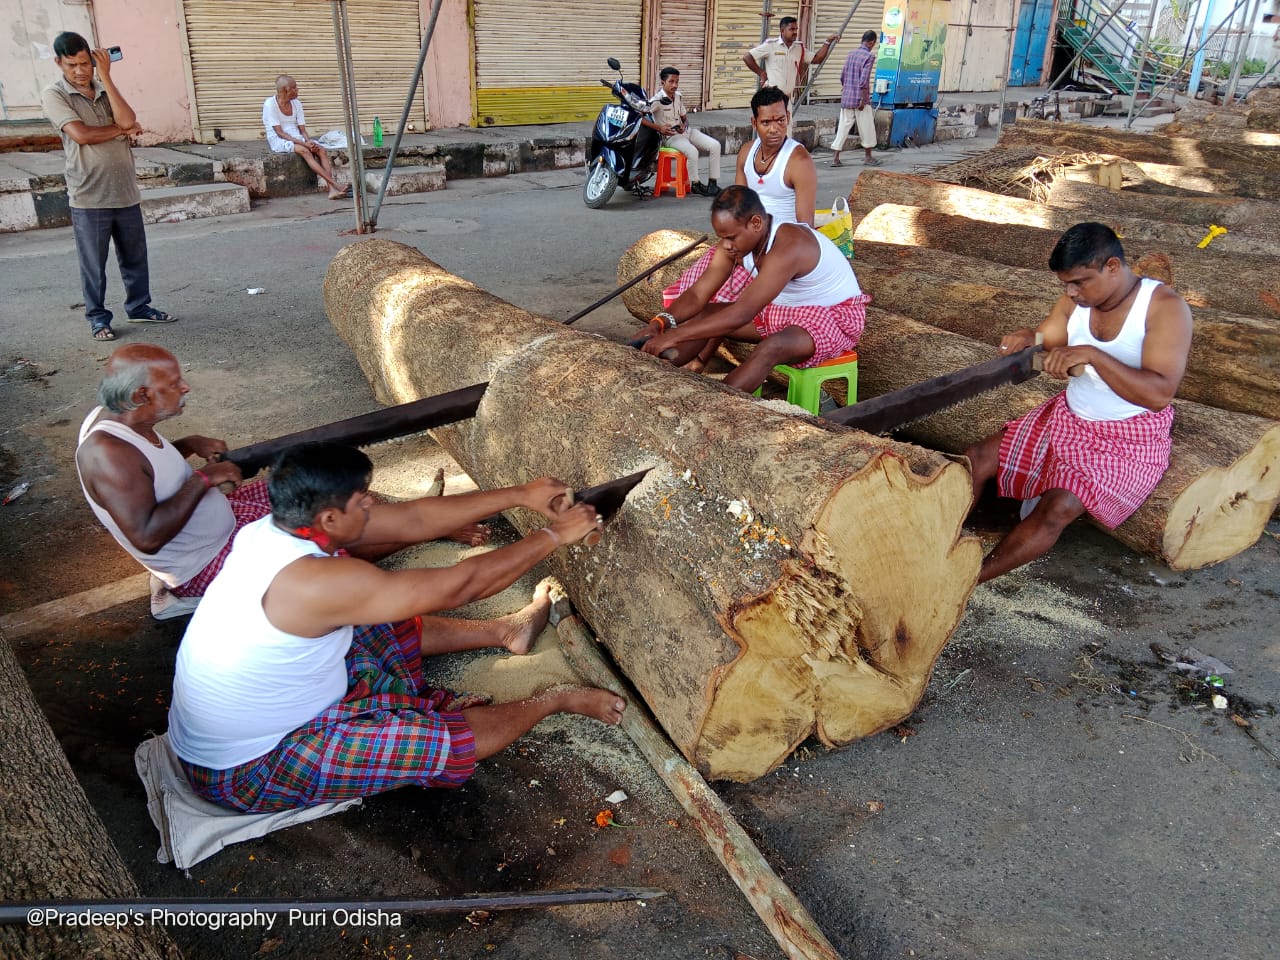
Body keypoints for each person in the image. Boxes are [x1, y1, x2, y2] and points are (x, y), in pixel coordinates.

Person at [166, 442, 626, 813]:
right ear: (329, 517)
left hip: (260, 715)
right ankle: (555, 700)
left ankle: (504, 631)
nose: (371, 502)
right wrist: (553, 535)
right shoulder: (315, 581)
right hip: (249, 767)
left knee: (383, 616)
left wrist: (520, 494)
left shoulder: (280, 528)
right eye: (361, 498)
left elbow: (415, 518)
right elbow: (461, 585)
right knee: (436, 742)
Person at [76, 344, 488, 621]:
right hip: (205, 560)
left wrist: (187, 445)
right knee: (329, 561)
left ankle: (427, 524)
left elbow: (152, 470)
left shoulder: (123, 417)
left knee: (342, 500)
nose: (185, 387)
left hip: (224, 515)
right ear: (140, 397)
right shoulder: (108, 455)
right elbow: (147, 535)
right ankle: (425, 532)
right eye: (172, 385)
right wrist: (203, 478)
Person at [963, 223, 1193, 583]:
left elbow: (1158, 394)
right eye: (1065, 284)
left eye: (1080, 282)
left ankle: (965, 580)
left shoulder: (1163, 307)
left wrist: (1093, 355)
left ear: (1113, 267)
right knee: (976, 459)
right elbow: (1048, 350)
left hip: (1129, 438)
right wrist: (1029, 344)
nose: (1071, 292)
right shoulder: (1075, 301)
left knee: (1058, 507)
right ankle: (935, 545)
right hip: (1066, 418)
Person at [636, 185, 868, 397]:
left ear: (756, 223)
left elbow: (741, 313)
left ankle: (714, 406)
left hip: (832, 318)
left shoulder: (790, 245)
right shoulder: (739, 243)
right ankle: (653, 376)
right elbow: (698, 294)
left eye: (731, 237)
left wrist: (674, 336)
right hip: (783, 311)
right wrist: (661, 323)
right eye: (722, 237)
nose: (726, 245)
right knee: (706, 313)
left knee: (772, 347)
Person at [41, 32, 175, 342]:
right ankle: (98, 318)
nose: (80, 71)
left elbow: (130, 117)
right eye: (72, 65)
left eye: (86, 63)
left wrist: (106, 77)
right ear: (59, 63)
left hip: (124, 190)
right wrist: (120, 130)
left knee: (134, 257)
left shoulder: (103, 87)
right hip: (89, 195)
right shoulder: (55, 94)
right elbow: (82, 135)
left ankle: (140, 306)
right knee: (93, 264)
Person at [734, 87, 817, 227]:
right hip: (751, 238)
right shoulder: (746, 152)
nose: (774, 129)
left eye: (780, 120)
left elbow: (806, 226)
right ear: (754, 123)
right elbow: (739, 206)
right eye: (766, 123)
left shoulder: (800, 161)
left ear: (788, 118)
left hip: (785, 241)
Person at [263, 75, 350, 200]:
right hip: (279, 139)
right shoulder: (270, 104)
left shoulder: (297, 104)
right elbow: (280, 133)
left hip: (296, 136)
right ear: (284, 90)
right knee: (305, 151)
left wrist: (308, 141)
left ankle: (332, 190)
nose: (297, 90)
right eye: (294, 88)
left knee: (321, 150)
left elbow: (302, 129)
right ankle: (335, 184)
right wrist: (305, 145)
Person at [649, 67, 723, 197]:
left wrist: (685, 124)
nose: (675, 85)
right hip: (671, 137)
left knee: (715, 145)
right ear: (662, 82)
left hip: (685, 132)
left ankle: (712, 184)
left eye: (677, 82)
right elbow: (640, 116)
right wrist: (659, 128)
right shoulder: (657, 100)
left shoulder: (678, 97)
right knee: (692, 151)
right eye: (671, 82)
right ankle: (695, 184)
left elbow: (684, 117)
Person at [743, 17, 841, 107]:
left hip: (788, 98)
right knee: (773, 125)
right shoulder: (771, 45)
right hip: (772, 98)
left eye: (796, 29)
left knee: (787, 126)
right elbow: (747, 57)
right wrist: (761, 73)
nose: (795, 32)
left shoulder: (798, 48)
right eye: (791, 29)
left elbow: (817, 59)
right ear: (782, 31)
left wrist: (828, 41)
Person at [830, 30, 881, 168]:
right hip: (860, 98)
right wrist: (863, 99)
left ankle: (835, 158)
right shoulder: (869, 56)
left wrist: (846, 88)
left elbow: (842, 76)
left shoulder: (851, 54)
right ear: (871, 42)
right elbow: (864, 80)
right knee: (867, 127)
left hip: (847, 96)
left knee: (843, 127)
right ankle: (868, 157)